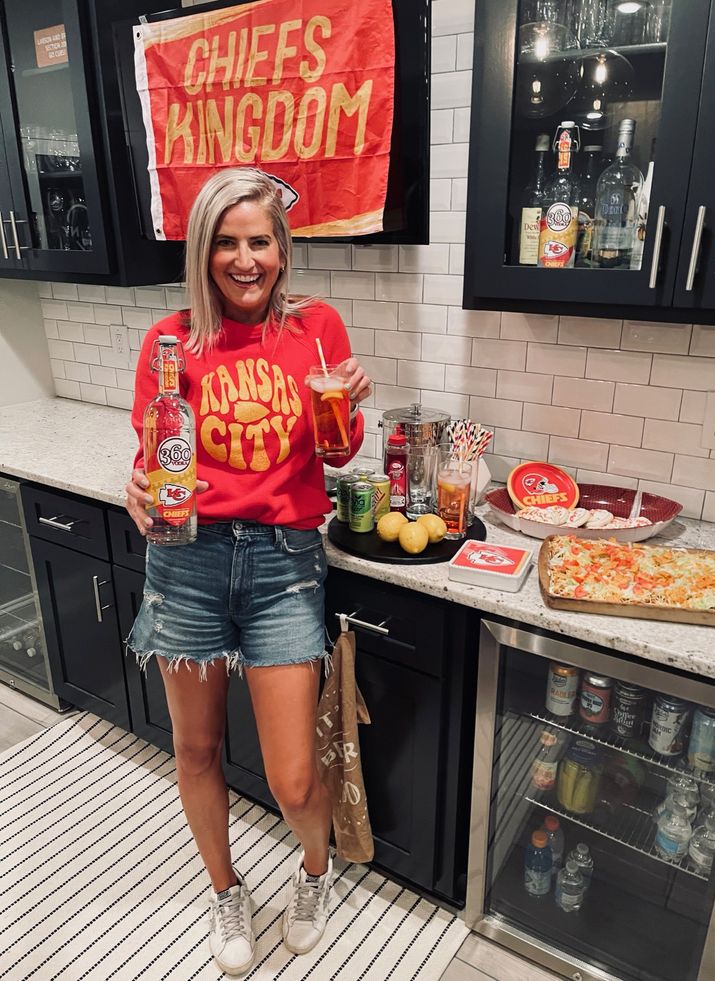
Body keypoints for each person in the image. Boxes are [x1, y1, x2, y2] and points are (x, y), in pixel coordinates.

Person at [124, 167, 371, 975]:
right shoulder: (169, 344)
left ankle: (313, 869)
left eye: (257, 241)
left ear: (282, 248)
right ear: (202, 251)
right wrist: (136, 491)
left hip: (283, 565)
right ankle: (225, 892)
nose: (243, 259)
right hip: (186, 561)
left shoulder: (318, 329)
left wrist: (347, 417)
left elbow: (335, 452)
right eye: (224, 242)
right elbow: (154, 463)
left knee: (295, 779)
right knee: (195, 751)